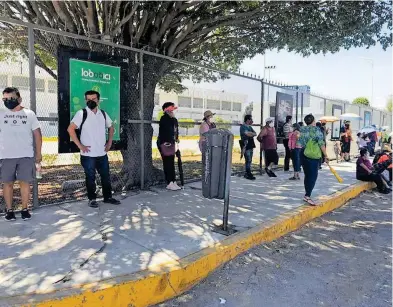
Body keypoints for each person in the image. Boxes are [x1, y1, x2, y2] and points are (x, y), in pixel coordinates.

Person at [67, 90, 121, 208]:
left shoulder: (103, 113)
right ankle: (92, 199)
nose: (91, 101)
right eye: (88, 99)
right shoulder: (82, 113)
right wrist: (80, 146)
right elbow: (70, 129)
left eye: (93, 99)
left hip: (102, 153)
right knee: (90, 177)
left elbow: (111, 127)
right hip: (88, 155)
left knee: (105, 176)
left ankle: (108, 197)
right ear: (85, 100)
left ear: (98, 100)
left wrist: (109, 142)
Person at [0, 87, 42, 221]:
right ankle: (9, 210)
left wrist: (39, 153)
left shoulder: (29, 114)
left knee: (25, 183)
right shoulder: (1, 113)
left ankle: (25, 209)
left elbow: (37, 134)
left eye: (11, 99)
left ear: (19, 99)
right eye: (4, 99)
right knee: (7, 183)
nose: (7, 101)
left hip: (26, 155)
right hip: (6, 156)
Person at [298, 114, 329, 206]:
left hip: (303, 153)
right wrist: (326, 156)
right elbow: (321, 144)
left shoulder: (302, 129)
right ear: (313, 121)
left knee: (307, 175)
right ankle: (307, 195)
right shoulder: (316, 130)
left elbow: (300, 142)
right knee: (313, 176)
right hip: (312, 155)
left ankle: (307, 194)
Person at [157, 102, 181, 191]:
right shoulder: (164, 119)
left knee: (171, 162)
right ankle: (169, 182)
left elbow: (175, 131)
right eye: (171, 109)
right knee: (167, 162)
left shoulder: (174, 120)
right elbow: (166, 131)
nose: (173, 111)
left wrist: (176, 139)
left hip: (172, 143)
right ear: (166, 110)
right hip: (165, 142)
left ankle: (173, 181)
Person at [240, 115, 257, 180]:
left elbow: (255, 133)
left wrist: (250, 133)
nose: (251, 121)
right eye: (250, 119)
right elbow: (246, 134)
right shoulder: (243, 127)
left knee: (250, 160)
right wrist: (250, 133)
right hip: (245, 144)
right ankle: (248, 173)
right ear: (247, 120)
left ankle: (247, 172)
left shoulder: (249, 127)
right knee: (248, 159)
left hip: (250, 143)